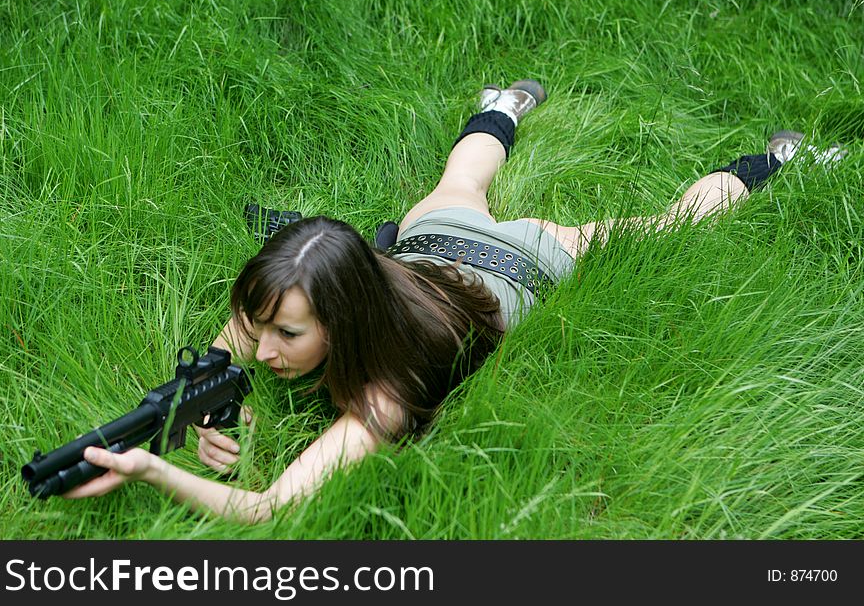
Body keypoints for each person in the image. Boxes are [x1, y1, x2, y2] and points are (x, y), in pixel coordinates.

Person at [63, 80, 846, 522]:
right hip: (429, 242)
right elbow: (235, 334)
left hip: (522, 262)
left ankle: (777, 161)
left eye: (287, 334)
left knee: (660, 228)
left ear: (347, 316)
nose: (264, 347)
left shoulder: (388, 390)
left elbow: (269, 507)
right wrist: (215, 405)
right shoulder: (331, 288)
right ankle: (502, 103)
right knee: (458, 186)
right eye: (263, 325)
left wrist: (151, 472)